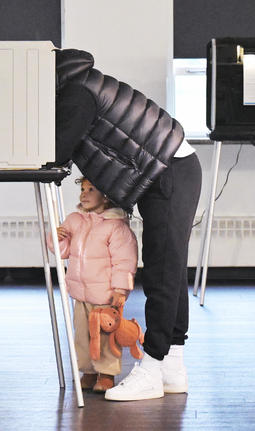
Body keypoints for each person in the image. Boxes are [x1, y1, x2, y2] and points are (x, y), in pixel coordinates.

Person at [55, 49, 202, 401]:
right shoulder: (84, 83)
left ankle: (151, 368)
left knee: (161, 273)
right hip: (174, 168)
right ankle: (172, 367)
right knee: (170, 268)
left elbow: (56, 151)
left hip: (168, 172)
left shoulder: (76, 94)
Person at [48, 177, 138, 394]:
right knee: (82, 335)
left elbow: (125, 261)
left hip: (106, 296)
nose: (84, 194)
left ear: (106, 196)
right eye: (82, 189)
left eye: (91, 189)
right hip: (81, 293)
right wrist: (56, 237)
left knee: (106, 338)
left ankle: (106, 374)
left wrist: (120, 289)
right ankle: (88, 372)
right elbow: (63, 251)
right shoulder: (75, 220)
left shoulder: (116, 228)